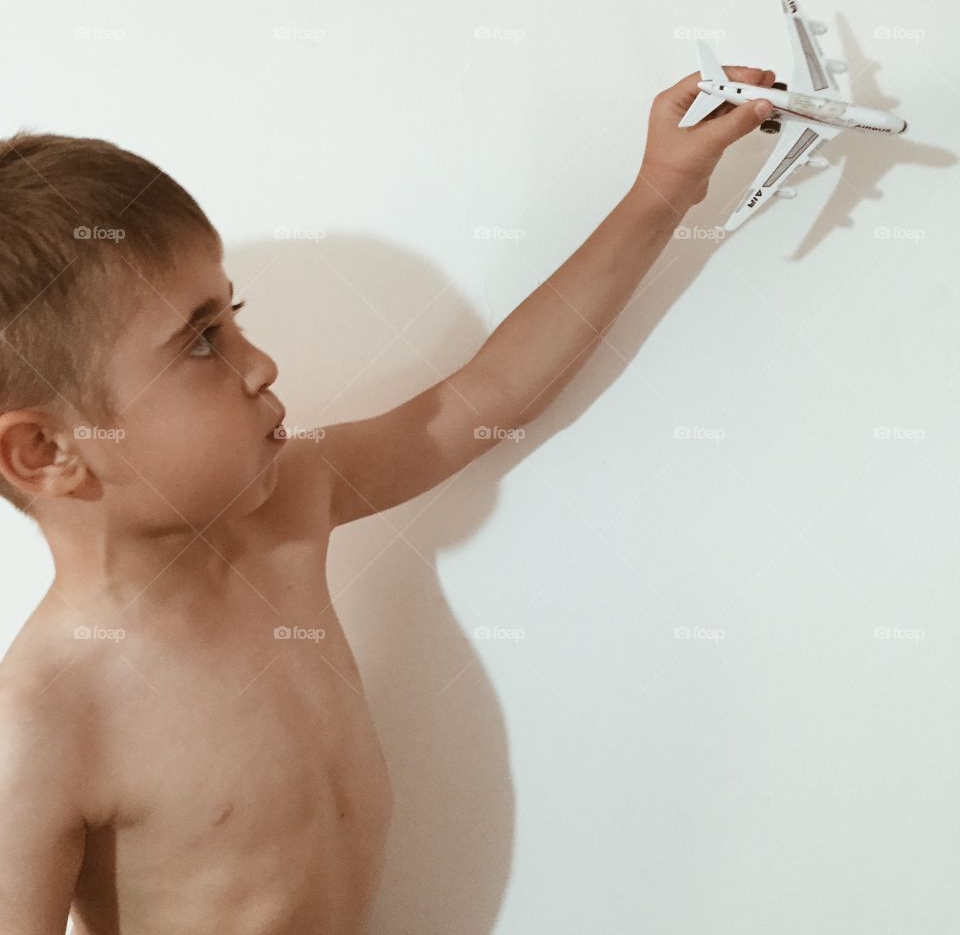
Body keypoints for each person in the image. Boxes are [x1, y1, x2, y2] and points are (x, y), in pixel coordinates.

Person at [0, 67, 775, 934]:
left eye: (233, 317)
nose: (260, 364)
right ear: (45, 453)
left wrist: (661, 191)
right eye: (201, 342)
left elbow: (479, 400)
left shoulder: (287, 506)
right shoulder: (46, 718)